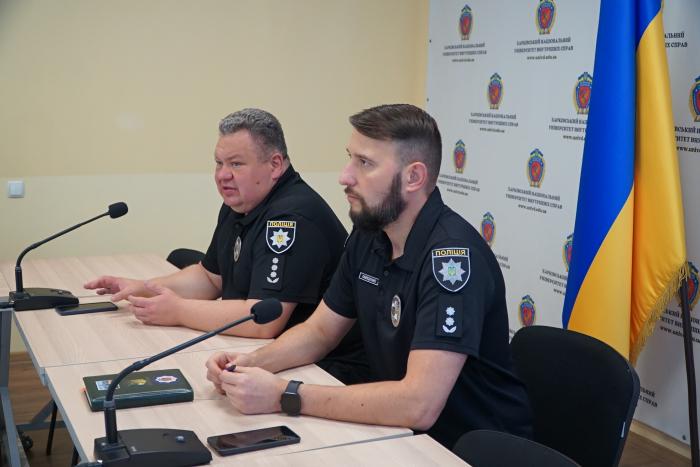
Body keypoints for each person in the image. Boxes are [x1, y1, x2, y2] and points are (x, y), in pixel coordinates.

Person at [205, 104, 533, 449]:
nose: (345, 176)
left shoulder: (452, 261)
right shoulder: (370, 235)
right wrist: (248, 364)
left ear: (413, 177)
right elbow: (319, 332)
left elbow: (419, 404)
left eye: (365, 163)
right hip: (393, 431)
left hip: (465, 448)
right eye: (350, 158)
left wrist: (284, 395)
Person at [85, 108, 369, 384]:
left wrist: (179, 311)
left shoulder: (291, 218)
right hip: (267, 353)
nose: (222, 175)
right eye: (219, 163)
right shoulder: (242, 203)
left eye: (235, 164)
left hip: (325, 369)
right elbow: (210, 278)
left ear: (275, 165)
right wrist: (142, 287)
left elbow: (262, 321)